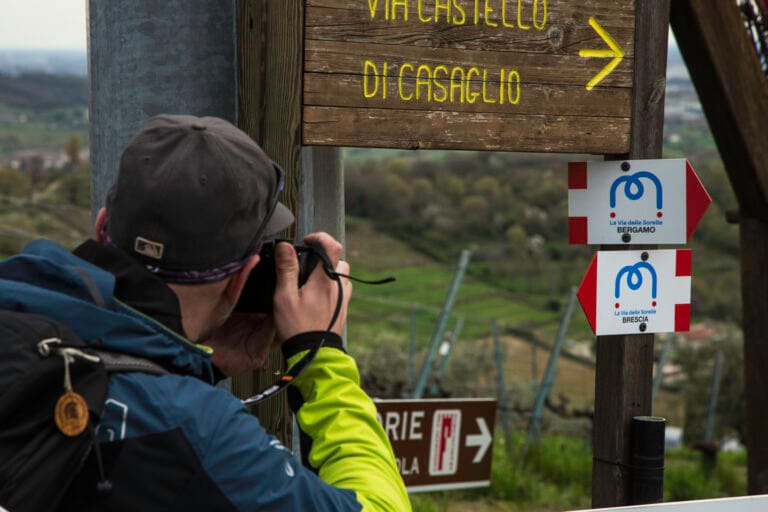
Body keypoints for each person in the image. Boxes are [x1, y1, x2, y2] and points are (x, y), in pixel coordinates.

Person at [0, 115, 410, 511]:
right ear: (242, 278)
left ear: (102, 226)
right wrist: (321, 359)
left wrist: (188, 366)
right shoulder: (200, 431)